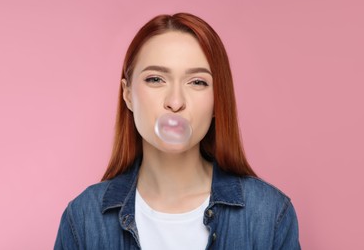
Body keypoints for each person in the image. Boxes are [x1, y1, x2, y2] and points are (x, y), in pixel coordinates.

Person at [54, 13, 300, 250]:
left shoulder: (270, 215)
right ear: (128, 94)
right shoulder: (83, 219)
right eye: (155, 79)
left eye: (197, 82)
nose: (175, 101)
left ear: (218, 101)